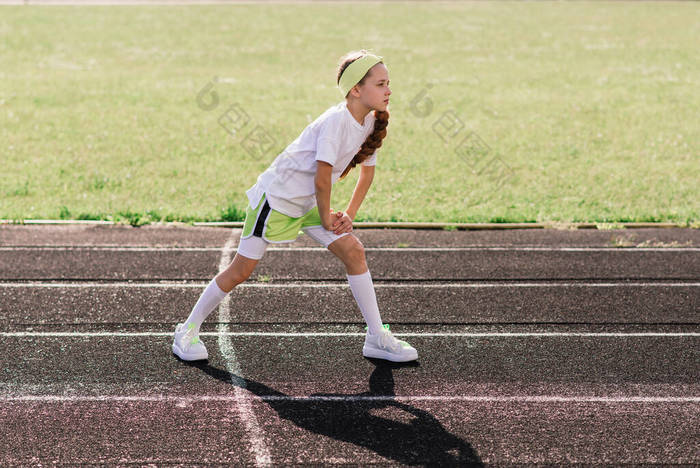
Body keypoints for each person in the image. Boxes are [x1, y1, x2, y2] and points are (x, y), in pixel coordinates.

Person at [172, 50, 418, 363]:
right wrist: (329, 219)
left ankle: (376, 337)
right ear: (356, 89)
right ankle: (187, 331)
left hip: (310, 203)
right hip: (276, 200)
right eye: (381, 83)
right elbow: (322, 181)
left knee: (353, 250)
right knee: (240, 271)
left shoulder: (370, 121)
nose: (389, 90)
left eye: (388, 83)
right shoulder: (335, 122)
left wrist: (348, 217)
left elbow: (367, 174)